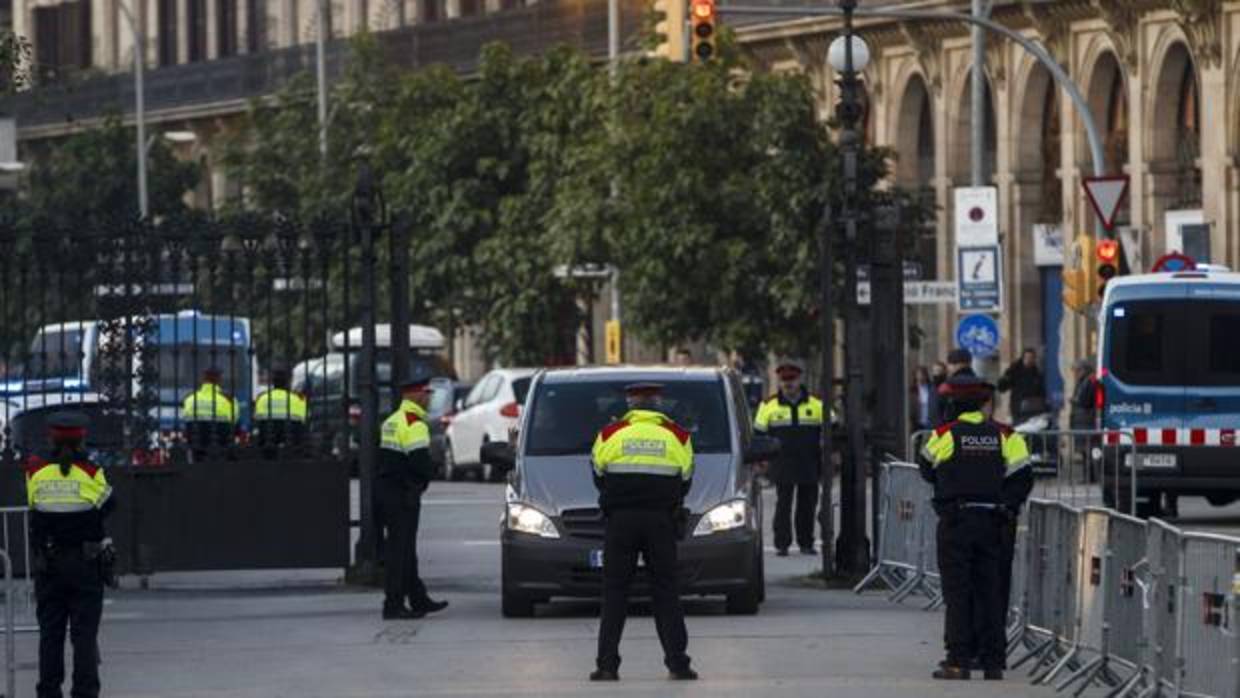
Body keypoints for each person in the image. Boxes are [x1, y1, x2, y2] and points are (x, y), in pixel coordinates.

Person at [918, 374, 1032, 681]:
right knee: (991, 591)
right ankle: (993, 661)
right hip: (994, 523)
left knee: (958, 593)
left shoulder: (945, 434)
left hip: (956, 522)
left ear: (953, 405)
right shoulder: (1005, 435)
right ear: (983, 403)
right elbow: (1022, 476)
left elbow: (926, 468)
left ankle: (959, 660)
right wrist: (1006, 506)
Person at [590, 382, 696, 682]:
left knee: (614, 593)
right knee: (666, 592)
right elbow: (686, 478)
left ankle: (607, 665)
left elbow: (598, 474)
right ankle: (678, 664)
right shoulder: (678, 435)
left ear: (630, 403)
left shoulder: (610, 434)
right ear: (658, 403)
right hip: (661, 522)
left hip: (621, 522)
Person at [25, 412, 116, 698]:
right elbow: (109, 504)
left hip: (48, 564)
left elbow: (34, 505)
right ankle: (85, 692)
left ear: (51, 439)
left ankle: (48, 691)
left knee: (50, 634)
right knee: (84, 635)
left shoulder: (35, 471)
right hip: (85, 564)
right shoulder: (91, 472)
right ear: (81, 439)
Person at [377, 377, 449, 620]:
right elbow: (420, 463)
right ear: (416, 396)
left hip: (389, 492)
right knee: (400, 551)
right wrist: (430, 473)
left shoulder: (391, 421)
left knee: (405, 550)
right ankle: (393, 605)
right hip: (404, 495)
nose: (429, 398)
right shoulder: (414, 423)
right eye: (427, 393)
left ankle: (418, 598)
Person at [754, 360, 825, 556]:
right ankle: (782, 544)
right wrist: (761, 461)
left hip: (809, 462)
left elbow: (831, 430)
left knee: (807, 505)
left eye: (792, 380)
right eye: (784, 381)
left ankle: (806, 543)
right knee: (783, 505)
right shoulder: (768, 406)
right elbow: (758, 434)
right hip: (781, 464)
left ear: (800, 379)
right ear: (779, 381)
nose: (788, 384)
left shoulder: (817, 404)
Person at [180, 367, 238, 457]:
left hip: (195, 443)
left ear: (203, 380)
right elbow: (235, 422)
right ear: (219, 380)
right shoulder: (229, 399)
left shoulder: (189, 398)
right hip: (221, 443)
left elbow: (184, 419)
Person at [253, 367, 308, 456]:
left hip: (267, 436)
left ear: (273, 382)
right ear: (288, 382)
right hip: (291, 437)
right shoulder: (298, 398)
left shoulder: (262, 398)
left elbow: (256, 418)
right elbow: (304, 418)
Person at [997, 348, 1047, 424]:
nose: (1029, 360)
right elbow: (1002, 387)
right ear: (1023, 358)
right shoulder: (1015, 371)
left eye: (1032, 358)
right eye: (1028, 358)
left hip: (1033, 411)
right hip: (1018, 409)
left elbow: (1041, 391)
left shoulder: (1036, 373)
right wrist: (1005, 378)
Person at [1069, 358, 1097, 431]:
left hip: (1085, 420)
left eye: (1077, 371)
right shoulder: (1081, 382)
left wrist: (1074, 400)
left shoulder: (1089, 381)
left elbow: (1086, 401)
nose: (1075, 374)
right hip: (1079, 420)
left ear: (1083, 370)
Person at [911, 366, 935, 432]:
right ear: (915, 376)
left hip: (930, 422)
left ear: (926, 376)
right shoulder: (913, 390)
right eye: (918, 375)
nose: (920, 377)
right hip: (917, 422)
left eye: (922, 375)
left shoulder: (931, 388)